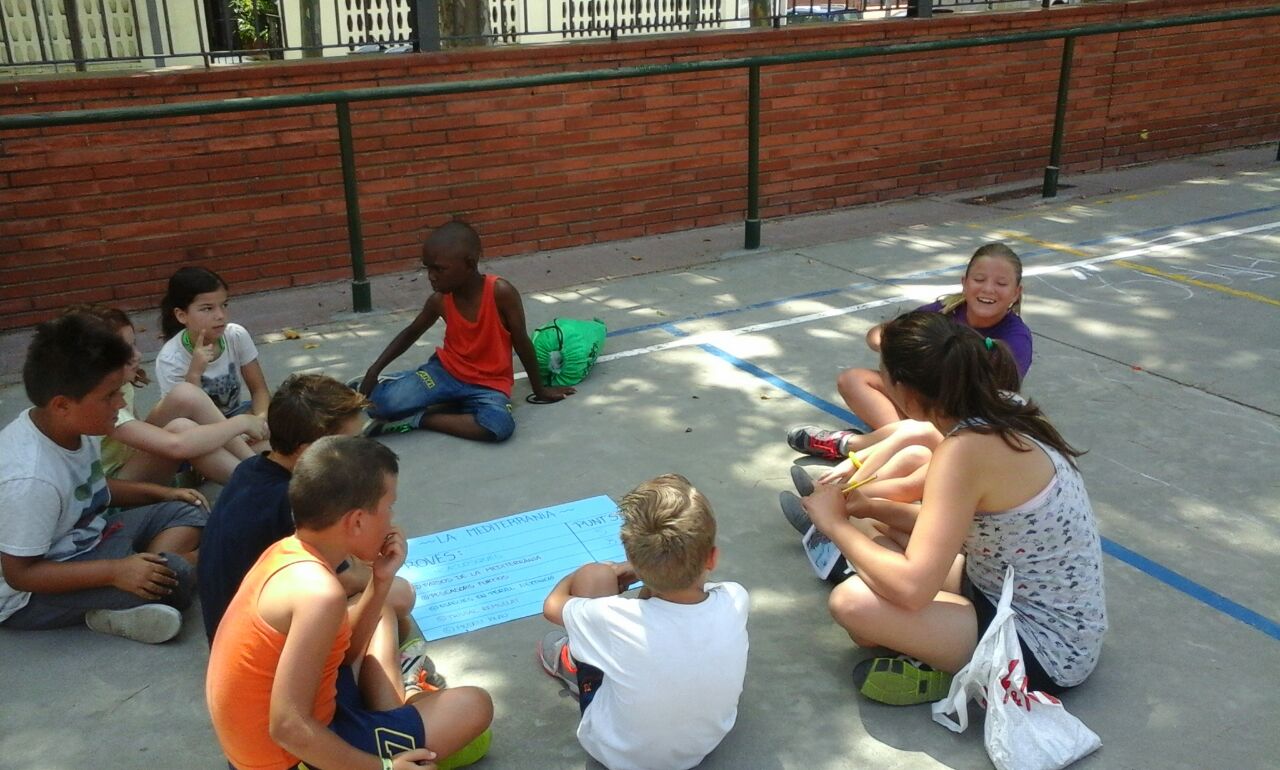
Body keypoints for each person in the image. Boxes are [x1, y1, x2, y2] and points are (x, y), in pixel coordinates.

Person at [796, 311, 1105, 706]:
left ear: (907, 395)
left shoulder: (963, 453)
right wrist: (870, 507)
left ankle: (952, 673)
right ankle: (924, 634)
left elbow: (912, 590)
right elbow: (956, 531)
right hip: (1007, 588)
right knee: (878, 534)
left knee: (853, 604)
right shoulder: (1001, 406)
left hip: (1043, 651)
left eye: (884, 376)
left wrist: (835, 524)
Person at [206, 436, 493, 770]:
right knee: (475, 705)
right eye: (389, 507)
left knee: (381, 611)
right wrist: (385, 769)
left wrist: (380, 581)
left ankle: (394, 716)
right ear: (356, 521)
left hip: (288, 735)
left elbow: (342, 655)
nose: (392, 520)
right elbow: (288, 726)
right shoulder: (320, 595)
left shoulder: (286, 552)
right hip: (294, 757)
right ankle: (398, 722)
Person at [0, 313, 208, 644]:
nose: (121, 402)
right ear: (62, 405)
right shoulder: (30, 479)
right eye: (110, 395)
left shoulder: (74, 427)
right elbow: (20, 575)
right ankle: (167, 573)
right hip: (31, 597)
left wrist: (158, 492)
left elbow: (87, 489)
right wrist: (116, 572)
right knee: (178, 576)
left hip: (90, 541)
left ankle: (143, 584)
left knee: (189, 510)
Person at [540, 474, 749, 770]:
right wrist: (648, 570)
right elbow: (688, 591)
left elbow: (552, 606)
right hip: (702, 745)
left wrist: (588, 573)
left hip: (617, 754)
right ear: (712, 558)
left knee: (594, 575)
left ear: (633, 560)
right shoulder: (736, 597)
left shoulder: (613, 618)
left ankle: (573, 660)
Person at [788, 242, 1031, 459]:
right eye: (979, 279)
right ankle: (901, 443)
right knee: (852, 379)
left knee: (921, 435)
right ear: (964, 282)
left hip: (967, 420)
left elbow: (986, 404)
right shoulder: (946, 310)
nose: (988, 289)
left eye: (1001, 283)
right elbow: (877, 334)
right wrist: (899, 346)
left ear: (1016, 292)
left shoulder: (1015, 339)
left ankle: (854, 444)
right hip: (927, 403)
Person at [355, 220, 575, 441]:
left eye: (439, 269)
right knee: (379, 406)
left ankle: (419, 419)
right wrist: (374, 370)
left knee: (499, 426)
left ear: (469, 264)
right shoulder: (440, 300)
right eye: (427, 268)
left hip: (489, 385)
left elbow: (522, 342)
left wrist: (540, 390)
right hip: (444, 373)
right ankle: (392, 381)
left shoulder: (501, 293)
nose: (431, 276)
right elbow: (411, 333)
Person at [71, 304, 267, 486]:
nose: (138, 355)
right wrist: (240, 424)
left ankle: (253, 464)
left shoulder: (120, 385)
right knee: (184, 431)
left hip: (130, 459)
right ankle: (259, 484)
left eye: (134, 344)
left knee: (185, 394)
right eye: (125, 350)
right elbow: (177, 445)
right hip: (112, 487)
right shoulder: (101, 403)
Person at [155, 266, 271, 420]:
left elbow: (259, 390)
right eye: (207, 308)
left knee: (284, 409)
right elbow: (186, 416)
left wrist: (261, 421)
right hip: (200, 427)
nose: (220, 315)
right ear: (182, 315)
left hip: (237, 414)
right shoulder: (171, 359)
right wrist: (194, 373)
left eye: (224, 305)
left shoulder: (236, 335)